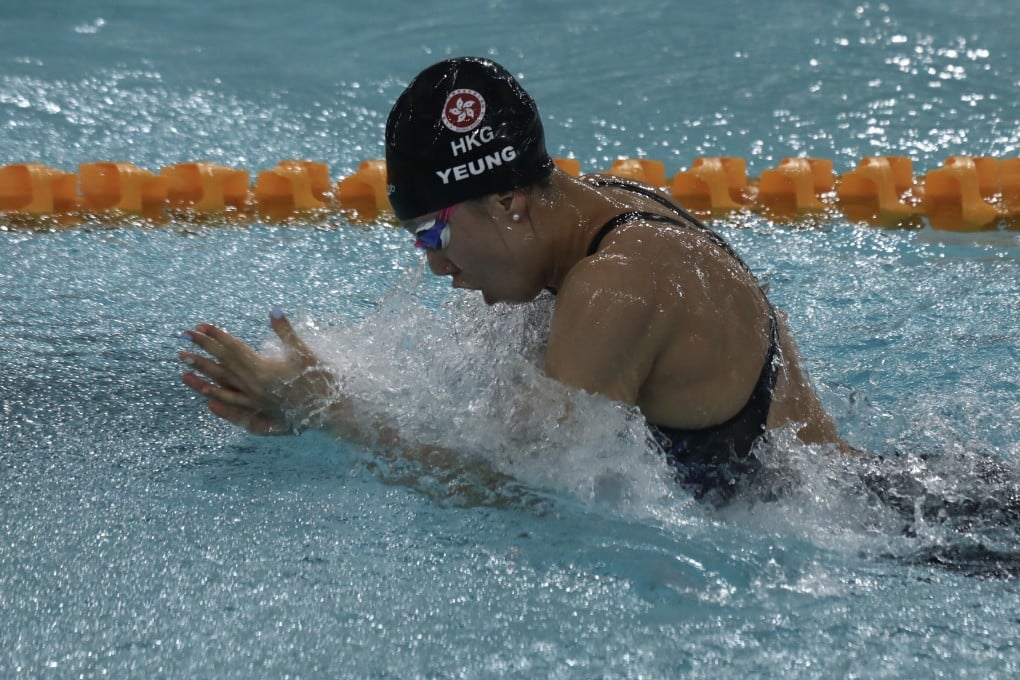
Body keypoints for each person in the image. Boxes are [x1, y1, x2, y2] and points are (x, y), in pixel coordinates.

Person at [179, 56, 849, 499]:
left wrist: (328, 412)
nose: (435, 263)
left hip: (888, 550)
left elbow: (525, 496)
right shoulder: (596, 218)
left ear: (509, 202)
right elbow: (505, 435)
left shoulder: (617, 283)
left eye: (433, 234)